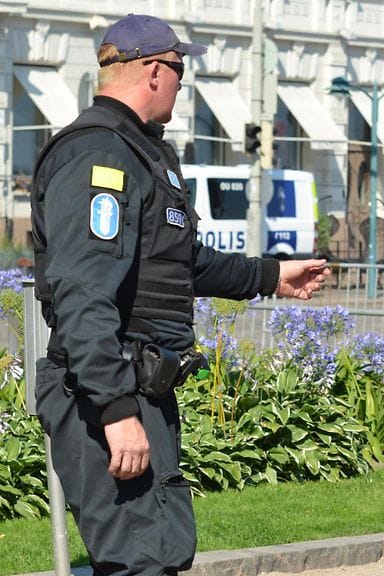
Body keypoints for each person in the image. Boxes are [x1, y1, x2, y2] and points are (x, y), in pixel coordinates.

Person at [30, 14, 330, 576]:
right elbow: (81, 290)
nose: (182, 81)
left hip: (141, 385)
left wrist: (270, 276)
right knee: (138, 560)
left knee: (162, 552)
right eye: (178, 68)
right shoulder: (100, 155)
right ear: (150, 71)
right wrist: (116, 409)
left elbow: (178, 260)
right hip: (108, 390)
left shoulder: (142, 154)